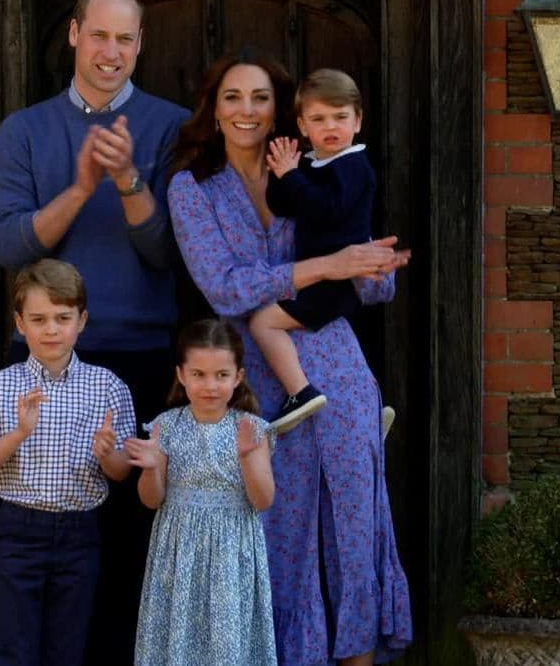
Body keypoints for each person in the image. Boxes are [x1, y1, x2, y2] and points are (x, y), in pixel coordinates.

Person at [167, 47, 413, 666]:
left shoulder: (315, 165)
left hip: (337, 360)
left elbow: (367, 278)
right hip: (255, 377)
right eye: (232, 97)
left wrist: (375, 265)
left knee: (355, 527)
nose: (247, 110)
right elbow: (223, 286)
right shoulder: (192, 187)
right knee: (278, 534)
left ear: (282, 112)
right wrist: (329, 265)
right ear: (214, 110)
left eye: (260, 98)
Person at [0, 0, 189, 662]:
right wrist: (79, 187)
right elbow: (11, 247)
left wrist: (129, 179)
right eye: (98, 36)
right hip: (43, 360)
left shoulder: (172, 127)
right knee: (37, 543)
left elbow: (167, 253)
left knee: (129, 543)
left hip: (138, 356)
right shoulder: (25, 130)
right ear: (73, 35)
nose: (110, 52)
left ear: (140, 44)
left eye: (124, 39)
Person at [0, 259, 135, 666]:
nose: (52, 330)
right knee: (14, 649)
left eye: (63, 318)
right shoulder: (2, 385)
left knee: (67, 649)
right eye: (39, 319)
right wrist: (18, 433)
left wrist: (107, 453)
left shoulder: (107, 386)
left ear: (82, 320)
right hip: (19, 531)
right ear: (20, 324)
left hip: (80, 532)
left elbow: (122, 472)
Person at [126, 319, 277, 666]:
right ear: (181, 374)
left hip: (231, 551)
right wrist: (150, 467)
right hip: (179, 551)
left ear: (237, 376)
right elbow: (151, 499)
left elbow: (263, 500)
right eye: (199, 374)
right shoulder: (167, 426)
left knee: (227, 642)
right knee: (179, 638)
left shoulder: (251, 429)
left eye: (221, 375)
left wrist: (248, 458)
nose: (210, 385)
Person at [252, 68, 375, 434]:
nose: (331, 127)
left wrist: (293, 176)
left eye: (340, 117)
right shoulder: (315, 163)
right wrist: (281, 172)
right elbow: (282, 205)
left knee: (263, 322)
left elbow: (325, 209)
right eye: (319, 119)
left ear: (358, 120)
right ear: (303, 127)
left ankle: (300, 392)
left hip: (334, 283)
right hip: (318, 278)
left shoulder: (354, 166)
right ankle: (360, 411)